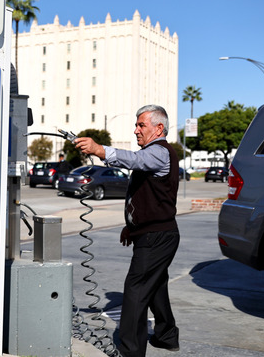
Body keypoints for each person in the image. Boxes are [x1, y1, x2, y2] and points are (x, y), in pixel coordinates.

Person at [75, 105, 180, 357]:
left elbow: (135, 160)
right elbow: (146, 196)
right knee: (155, 286)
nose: (136, 131)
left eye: (141, 125)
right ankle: (167, 336)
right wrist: (130, 226)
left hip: (157, 237)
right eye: (136, 125)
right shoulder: (155, 153)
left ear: (159, 128)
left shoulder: (160, 152)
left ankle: (131, 351)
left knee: (136, 290)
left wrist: (100, 150)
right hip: (154, 233)